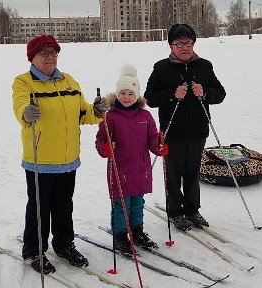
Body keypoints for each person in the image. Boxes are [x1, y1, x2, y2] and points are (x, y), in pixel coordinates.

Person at [12, 34, 109, 274]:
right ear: (32, 57)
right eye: (44, 53)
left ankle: (64, 244)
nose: (50, 58)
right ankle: (34, 251)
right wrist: (26, 112)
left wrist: (95, 110)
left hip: (68, 159)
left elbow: (82, 112)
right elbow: (20, 106)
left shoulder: (69, 81)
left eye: (53, 53)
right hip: (40, 160)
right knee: (39, 208)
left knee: (64, 206)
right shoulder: (24, 82)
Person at [144, 24, 226, 230]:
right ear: (171, 46)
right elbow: (150, 98)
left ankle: (192, 209)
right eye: (179, 43)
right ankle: (176, 211)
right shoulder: (161, 68)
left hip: (198, 131)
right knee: (173, 174)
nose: (184, 47)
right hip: (172, 133)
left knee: (192, 173)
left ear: (193, 43)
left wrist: (204, 92)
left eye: (187, 43)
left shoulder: (205, 66)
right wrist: (173, 94)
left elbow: (220, 93)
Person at [95, 65, 168, 256]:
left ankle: (137, 231)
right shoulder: (110, 116)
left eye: (130, 93)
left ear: (137, 95)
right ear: (117, 94)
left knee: (137, 202)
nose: (126, 97)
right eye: (122, 93)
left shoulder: (145, 115)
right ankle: (120, 235)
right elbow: (101, 139)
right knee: (122, 205)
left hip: (141, 169)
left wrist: (158, 145)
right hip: (120, 171)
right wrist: (105, 148)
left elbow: (152, 138)